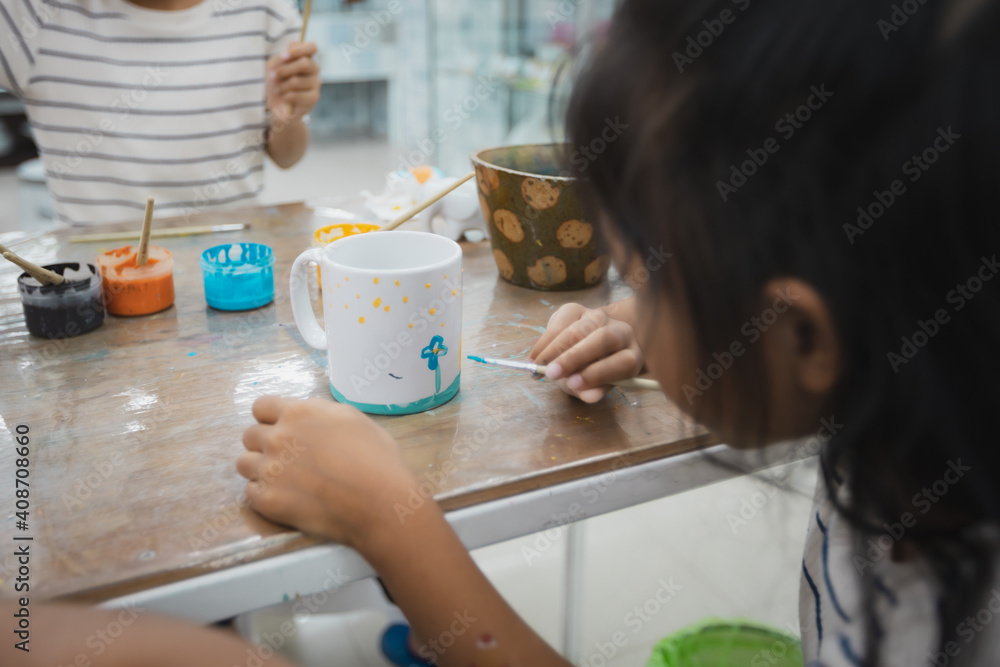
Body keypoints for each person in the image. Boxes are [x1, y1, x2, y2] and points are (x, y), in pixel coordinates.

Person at [234, 0, 1000, 664]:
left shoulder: (942, 623)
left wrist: (390, 520)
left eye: (648, 278)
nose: (629, 303)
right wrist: (678, 320)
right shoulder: (919, 402)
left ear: (798, 336)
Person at [0, 0, 320, 226]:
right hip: (94, 282)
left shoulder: (267, 10)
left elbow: (287, 156)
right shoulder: (32, 13)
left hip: (234, 260)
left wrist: (287, 116)